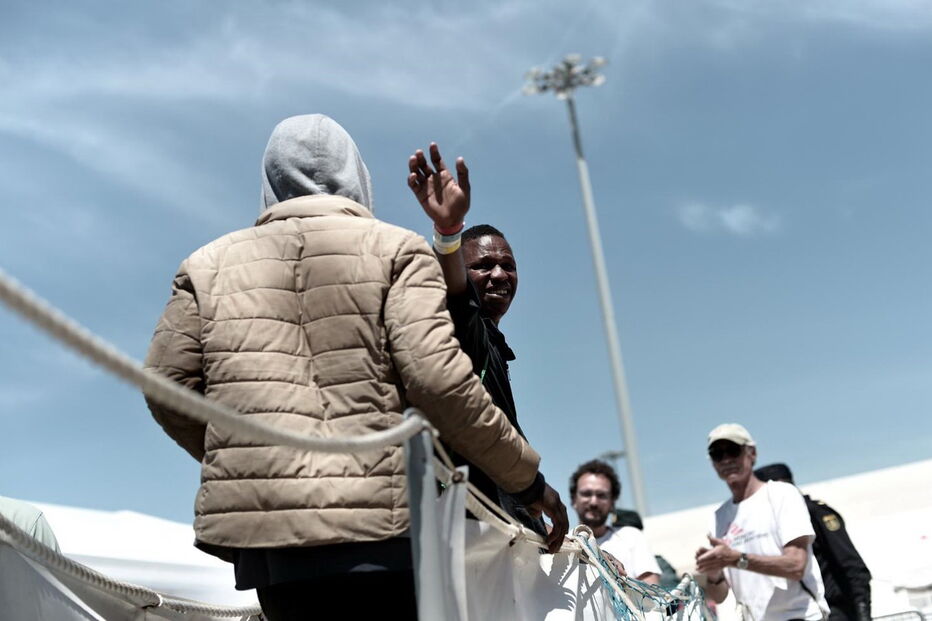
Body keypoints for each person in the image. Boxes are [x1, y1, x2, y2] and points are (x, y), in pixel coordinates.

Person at [144, 115, 568, 621]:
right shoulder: (396, 251)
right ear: (358, 176)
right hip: (382, 532)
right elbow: (439, 382)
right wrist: (528, 482)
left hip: (271, 544)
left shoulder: (204, 266)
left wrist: (250, 460)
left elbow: (167, 388)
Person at [406, 143, 545, 535]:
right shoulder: (463, 325)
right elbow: (456, 294)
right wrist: (449, 233)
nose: (499, 275)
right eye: (483, 266)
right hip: (468, 529)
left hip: (504, 524)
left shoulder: (493, 343)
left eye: (508, 266)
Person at [696, 424, 829, 621]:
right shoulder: (718, 517)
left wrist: (734, 559)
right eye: (717, 454)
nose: (726, 460)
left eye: (732, 451)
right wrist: (714, 572)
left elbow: (795, 566)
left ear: (752, 453)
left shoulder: (781, 495)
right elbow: (720, 596)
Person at [755, 463, 872, 621]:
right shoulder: (773, 524)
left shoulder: (814, 513)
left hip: (835, 610)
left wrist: (863, 614)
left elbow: (852, 565)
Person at [568, 459, 661, 584]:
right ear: (574, 500)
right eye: (586, 494)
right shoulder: (562, 544)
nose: (594, 502)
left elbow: (652, 592)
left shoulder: (631, 537)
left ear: (612, 503)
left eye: (601, 495)